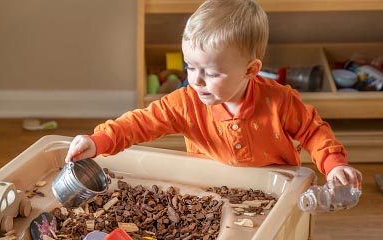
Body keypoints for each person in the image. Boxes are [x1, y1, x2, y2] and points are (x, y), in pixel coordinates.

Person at [65, 0, 362, 189]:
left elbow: (313, 131)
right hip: (211, 188)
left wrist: (334, 164)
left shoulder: (279, 100)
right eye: (190, 67)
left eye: (212, 73)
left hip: (276, 188)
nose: (196, 80)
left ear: (250, 71)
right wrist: (98, 141)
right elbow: (140, 123)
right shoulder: (186, 102)